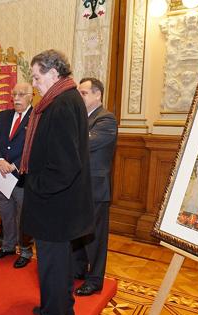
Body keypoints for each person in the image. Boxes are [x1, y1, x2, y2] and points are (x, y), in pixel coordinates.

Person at [16, 50, 94, 315]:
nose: (34, 83)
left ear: (53, 73)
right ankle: (64, 312)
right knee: (59, 264)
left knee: (51, 266)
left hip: (55, 204)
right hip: (63, 203)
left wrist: (35, 184)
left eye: (36, 76)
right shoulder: (66, 99)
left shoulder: (61, 105)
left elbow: (64, 165)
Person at [73, 77, 117, 296]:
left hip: (96, 188)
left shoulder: (106, 119)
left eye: (84, 93)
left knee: (96, 236)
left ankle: (95, 279)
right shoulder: (81, 118)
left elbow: (86, 143)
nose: (80, 96)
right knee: (79, 232)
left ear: (97, 95)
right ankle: (78, 269)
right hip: (79, 186)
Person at [0, 82, 34, 268]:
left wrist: (14, 165)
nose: (16, 98)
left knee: (23, 216)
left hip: (22, 176)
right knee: (6, 213)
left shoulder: (37, 118)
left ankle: (25, 251)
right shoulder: (4, 116)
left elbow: (34, 146)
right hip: (2, 175)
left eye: (21, 94)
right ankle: (8, 246)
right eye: (14, 94)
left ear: (32, 96)